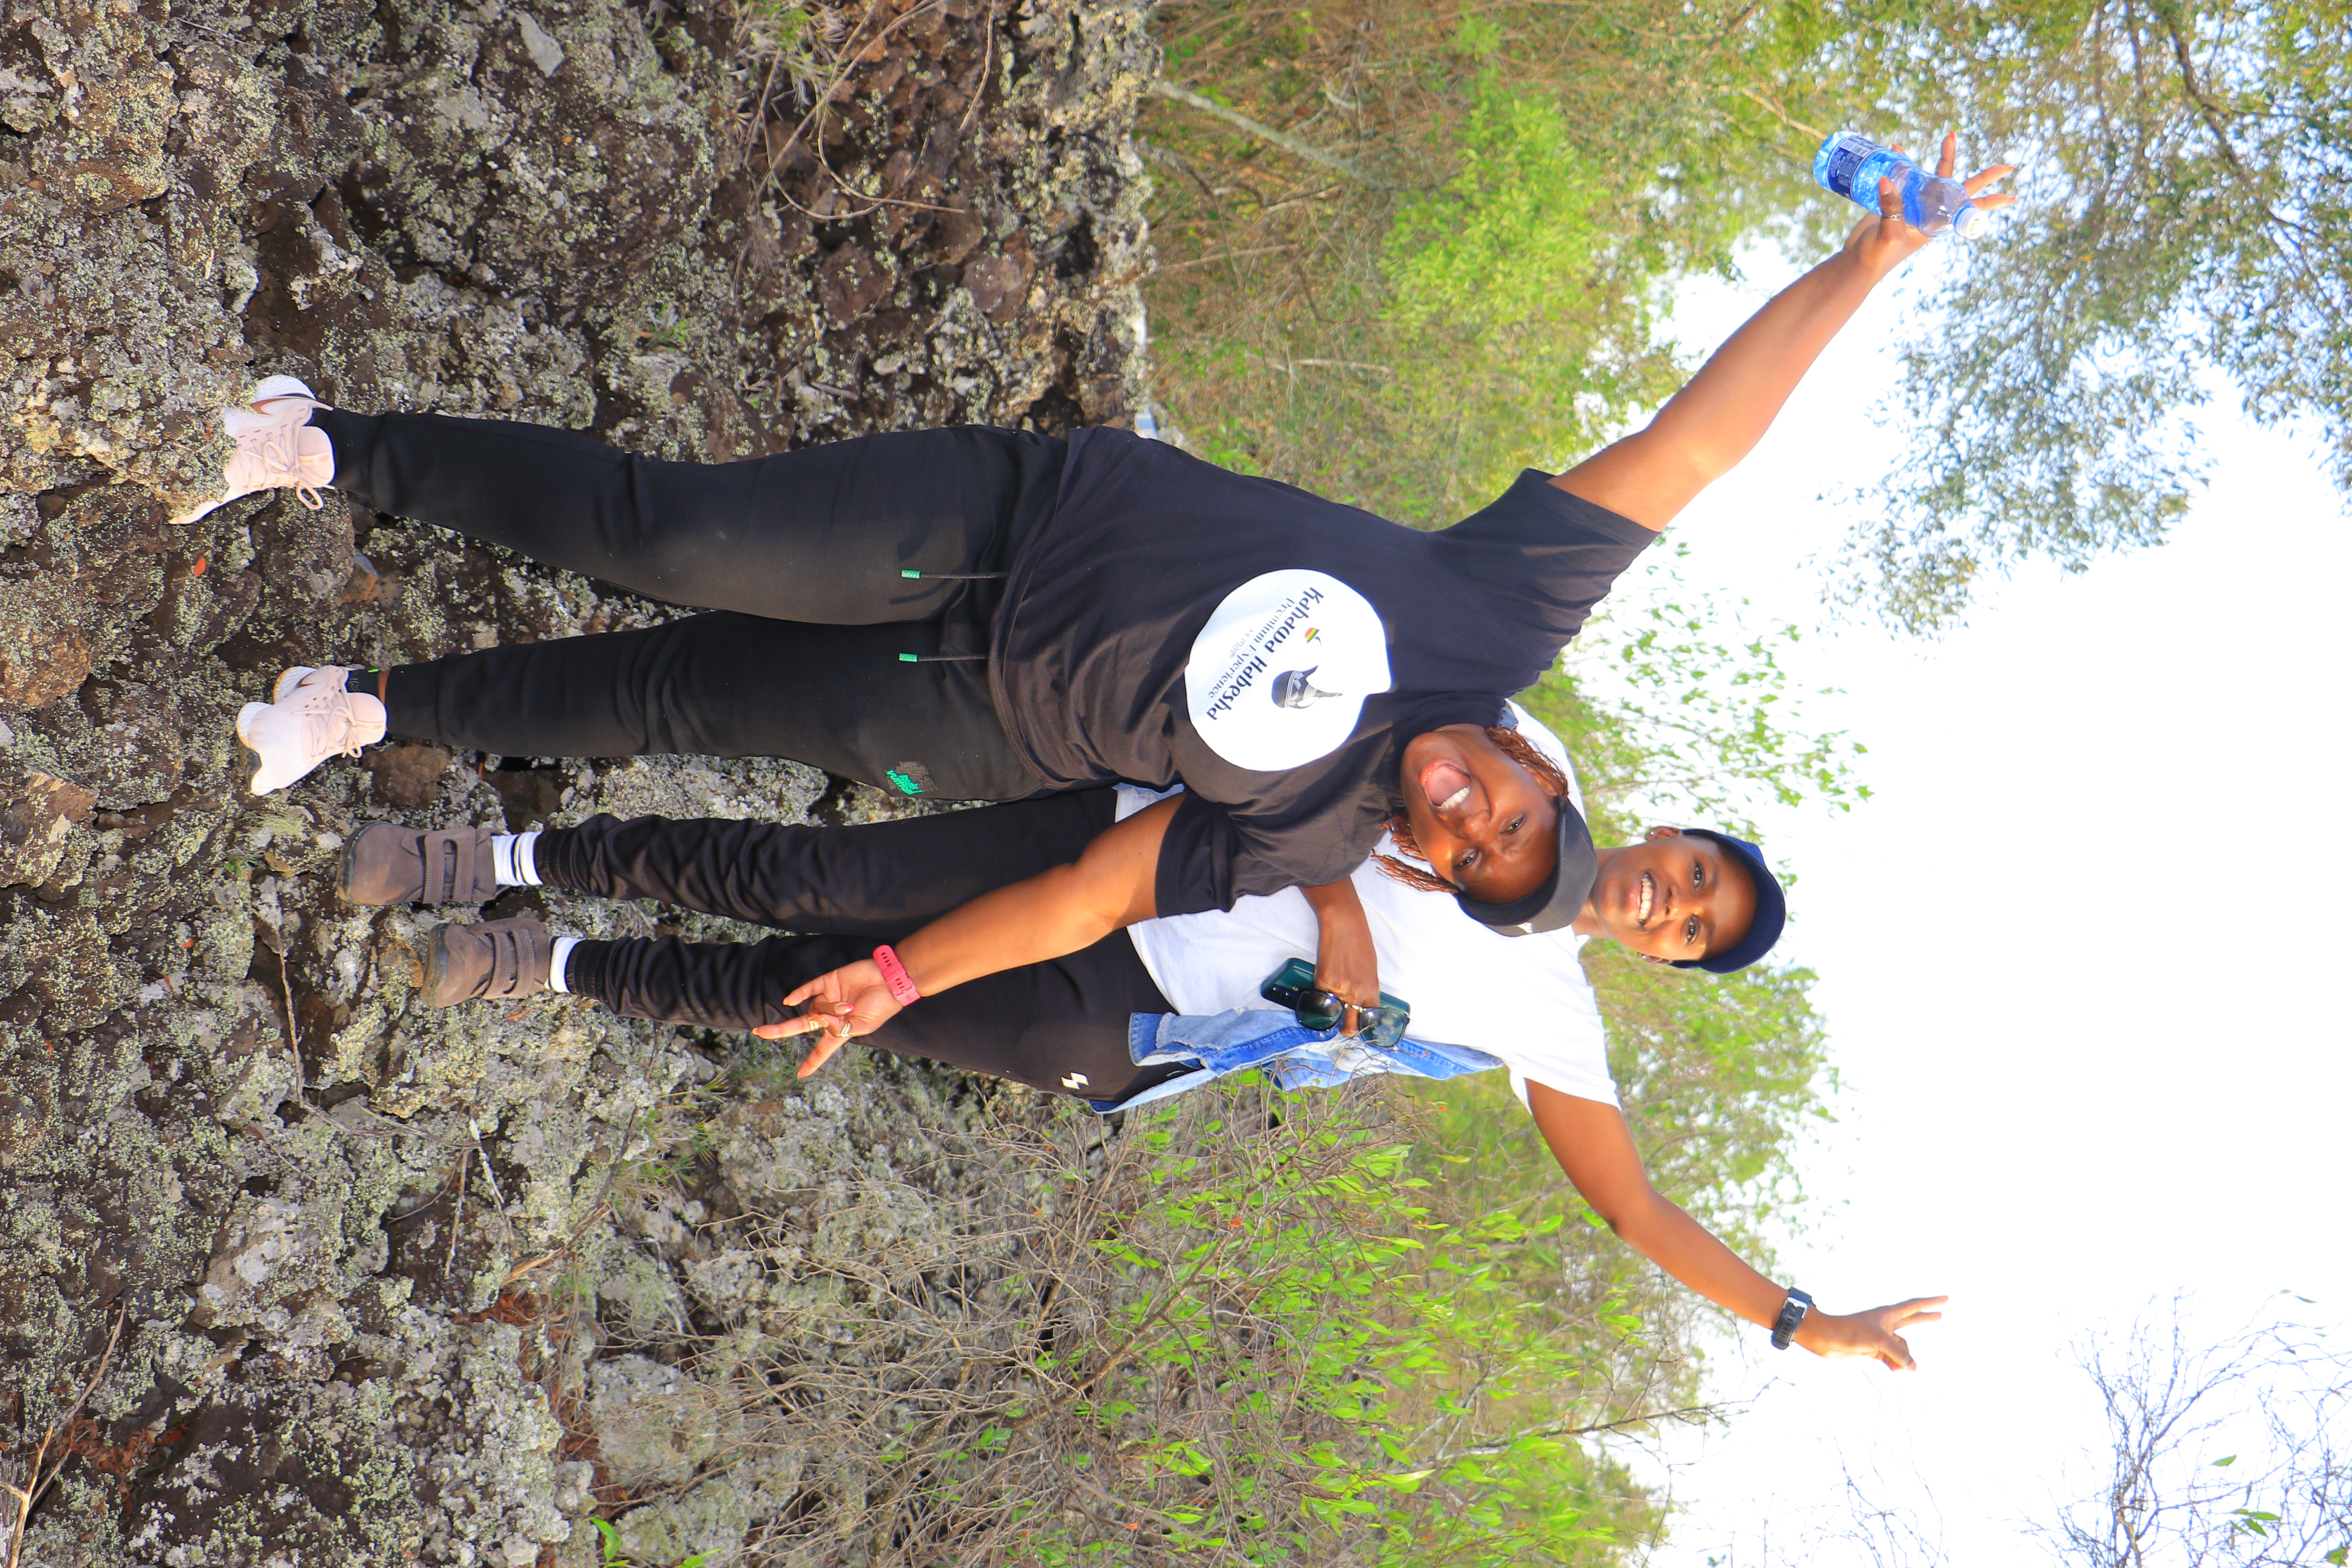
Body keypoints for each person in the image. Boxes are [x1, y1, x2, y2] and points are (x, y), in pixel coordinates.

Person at [201, 136, 2010, 1028]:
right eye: (1505, 809)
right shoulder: (1507, 611)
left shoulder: (1305, 843)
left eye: (1471, 857)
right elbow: (1698, 446)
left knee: (669, 696)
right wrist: (1868, 263)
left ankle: (357, 713)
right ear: (1546, 770)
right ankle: (323, 440)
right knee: (666, 536)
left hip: (969, 714)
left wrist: (902, 978)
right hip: (1007, 524)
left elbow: (1080, 901)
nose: (1466, 816)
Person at [347, 705, 1943, 1370]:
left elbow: (1637, 1211)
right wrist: (1331, 904)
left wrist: (1801, 1321)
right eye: (1698, 877)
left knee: (821, 984)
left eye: (1692, 933)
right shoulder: (1530, 759)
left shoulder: (1559, 1023)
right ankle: (482, 857)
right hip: (1129, 844)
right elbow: (1365, 730)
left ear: (1665, 963)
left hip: (1132, 1017)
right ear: (1671, 832)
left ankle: (530, 962)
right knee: (817, 871)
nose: (1672, 904)